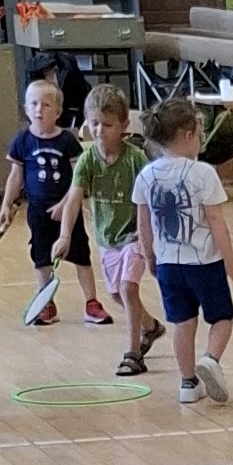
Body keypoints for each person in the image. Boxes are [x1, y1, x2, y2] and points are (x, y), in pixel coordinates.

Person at [131, 91, 233, 409]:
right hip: (205, 264)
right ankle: (210, 359)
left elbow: (143, 222)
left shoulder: (146, 175)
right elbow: (216, 221)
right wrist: (231, 262)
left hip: (169, 265)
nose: (202, 139)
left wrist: (149, 256)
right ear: (187, 135)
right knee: (222, 318)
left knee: (182, 324)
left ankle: (187, 383)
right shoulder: (203, 173)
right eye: (200, 133)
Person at [63, 82, 151, 372]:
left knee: (127, 288)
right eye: (94, 123)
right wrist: (65, 235)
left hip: (134, 236)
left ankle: (133, 354)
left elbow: (150, 198)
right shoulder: (87, 161)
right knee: (116, 294)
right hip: (106, 239)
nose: (100, 131)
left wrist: (149, 234)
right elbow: (74, 199)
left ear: (124, 126)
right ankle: (151, 326)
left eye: (108, 125)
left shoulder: (135, 159)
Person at [0, 63, 83, 325]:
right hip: (37, 211)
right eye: (33, 104)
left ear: (58, 111)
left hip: (68, 208)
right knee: (41, 256)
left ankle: (91, 302)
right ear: (26, 109)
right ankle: (47, 304)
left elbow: (79, 178)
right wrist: (6, 205)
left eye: (45, 105)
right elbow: (15, 177)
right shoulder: (21, 141)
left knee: (80, 253)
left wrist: (66, 203)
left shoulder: (68, 141)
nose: (38, 110)